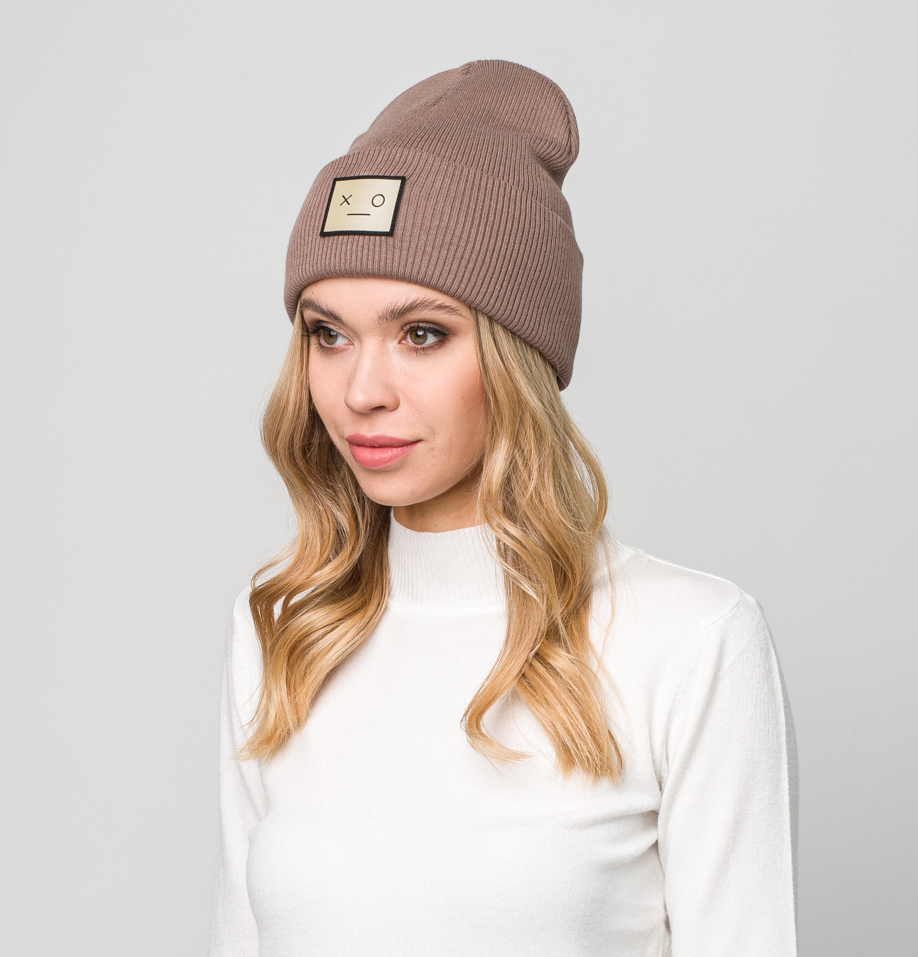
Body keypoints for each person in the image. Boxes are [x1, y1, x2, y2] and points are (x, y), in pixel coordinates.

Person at [208, 60, 798, 957]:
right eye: (329, 335)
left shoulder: (691, 641)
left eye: (422, 335)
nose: (362, 391)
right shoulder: (284, 627)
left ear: (519, 357)